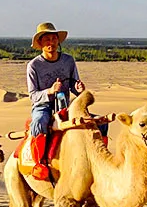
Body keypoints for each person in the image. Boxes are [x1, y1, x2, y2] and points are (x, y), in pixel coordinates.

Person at [26, 22, 97, 181]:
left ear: (58, 41)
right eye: (47, 40)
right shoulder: (34, 66)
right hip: (43, 105)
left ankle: (97, 159)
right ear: (41, 43)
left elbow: (74, 85)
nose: (51, 43)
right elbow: (33, 95)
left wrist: (78, 88)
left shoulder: (68, 61)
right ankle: (40, 164)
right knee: (38, 122)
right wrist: (50, 91)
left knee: (96, 122)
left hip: (65, 104)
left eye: (53, 39)